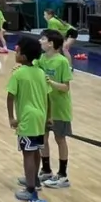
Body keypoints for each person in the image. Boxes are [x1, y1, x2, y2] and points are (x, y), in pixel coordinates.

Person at [6, 35, 50, 202]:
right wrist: (49, 116)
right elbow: (48, 96)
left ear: (23, 57)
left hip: (27, 119)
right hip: (40, 117)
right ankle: (34, 180)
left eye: (17, 51)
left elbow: (10, 97)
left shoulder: (18, 74)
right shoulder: (41, 72)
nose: (15, 53)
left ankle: (30, 190)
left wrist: (11, 117)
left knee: (27, 154)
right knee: (36, 150)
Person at [36, 28, 73, 188]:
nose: (40, 41)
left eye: (43, 39)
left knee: (60, 139)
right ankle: (46, 170)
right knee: (42, 138)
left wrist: (50, 82)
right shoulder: (42, 58)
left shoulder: (62, 61)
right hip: (44, 106)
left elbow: (66, 87)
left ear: (51, 43)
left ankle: (63, 175)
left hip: (60, 108)